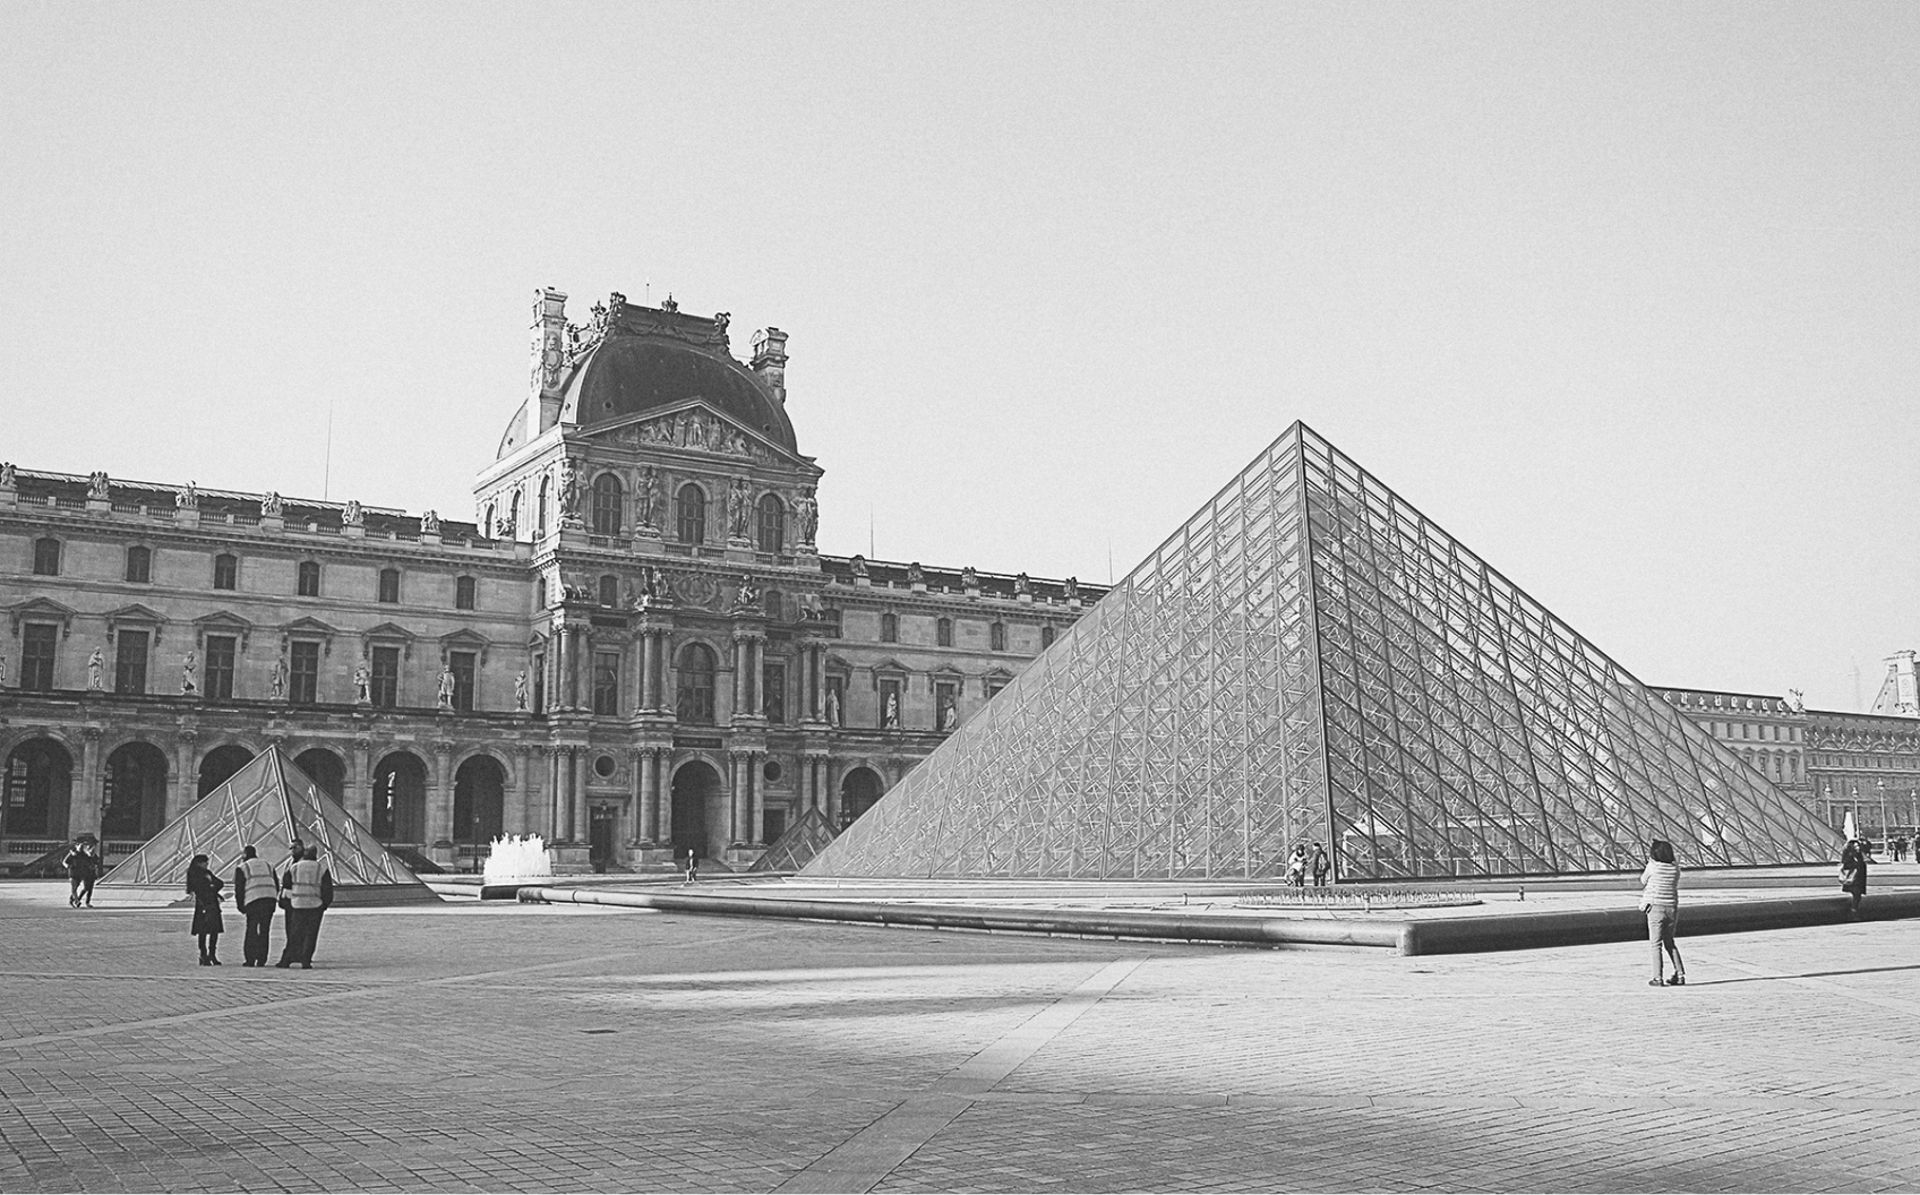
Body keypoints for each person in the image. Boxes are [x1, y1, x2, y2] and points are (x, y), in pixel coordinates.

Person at [276, 845, 334, 970]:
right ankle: (306, 960)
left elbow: (286, 886)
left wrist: (286, 903)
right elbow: (327, 889)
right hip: (315, 905)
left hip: (297, 904)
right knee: (311, 935)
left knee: (294, 934)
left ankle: (286, 960)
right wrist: (324, 904)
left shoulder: (294, 867)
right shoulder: (321, 868)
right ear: (315, 855)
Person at [1640, 839, 1684, 987]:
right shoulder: (1675, 869)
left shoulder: (1653, 867)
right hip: (1671, 908)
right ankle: (1680, 974)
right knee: (1670, 942)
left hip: (1656, 908)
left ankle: (1657, 977)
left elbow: (1643, 880)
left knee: (1656, 944)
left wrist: (1650, 863)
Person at [231, 845, 280, 967]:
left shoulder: (243, 867)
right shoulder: (268, 865)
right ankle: (262, 959)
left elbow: (239, 889)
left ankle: (250, 959)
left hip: (253, 901)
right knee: (265, 930)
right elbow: (276, 884)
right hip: (269, 900)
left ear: (245, 855)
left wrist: (240, 906)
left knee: (251, 929)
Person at [185, 854, 225, 966]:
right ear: (198, 863)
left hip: (212, 903)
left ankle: (212, 954)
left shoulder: (207, 873)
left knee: (214, 930)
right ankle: (204, 954)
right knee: (203, 930)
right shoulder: (194, 874)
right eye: (205, 862)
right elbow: (198, 888)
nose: (207, 864)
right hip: (203, 904)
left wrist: (212, 887)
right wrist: (211, 886)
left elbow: (220, 883)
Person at [63, 840, 99, 908]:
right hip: (72, 873)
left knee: (77, 888)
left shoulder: (83, 854)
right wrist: (68, 866)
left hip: (80, 874)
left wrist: (92, 864)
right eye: (79, 846)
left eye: (82, 846)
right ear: (76, 846)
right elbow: (64, 862)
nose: (81, 847)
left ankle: (72, 899)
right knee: (74, 888)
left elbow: (91, 859)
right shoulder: (72, 854)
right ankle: (77, 901)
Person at [1841, 836, 1869, 918]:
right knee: (1856, 894)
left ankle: (1854, 910)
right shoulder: (1850, 855)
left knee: (1857, 894)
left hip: (1857, 878)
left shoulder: (1858, 855)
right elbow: (1846, 864)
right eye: (1856, 846)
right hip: (1854, 878)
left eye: (1858, 845)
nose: (1858, 847)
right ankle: (1853, 911)